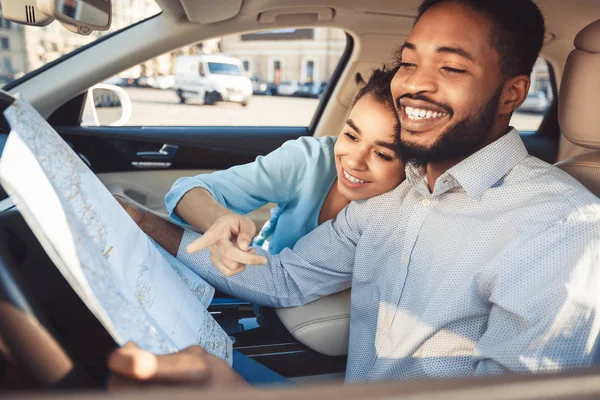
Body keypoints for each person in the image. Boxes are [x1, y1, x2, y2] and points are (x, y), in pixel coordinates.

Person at [110, 0, 600, 388]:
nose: (415, 85)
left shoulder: (564, 227)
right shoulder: (393, 198)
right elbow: (283, 280)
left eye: (451, 68)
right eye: (409, 62)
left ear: (512, 94)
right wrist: (141, 222)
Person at [162, 66, 405, 275]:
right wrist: (218, 222)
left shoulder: (409, 210)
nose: (354, 162)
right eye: (351, 136)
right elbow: (185, 190)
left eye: (382, 154)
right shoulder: (309, 161)